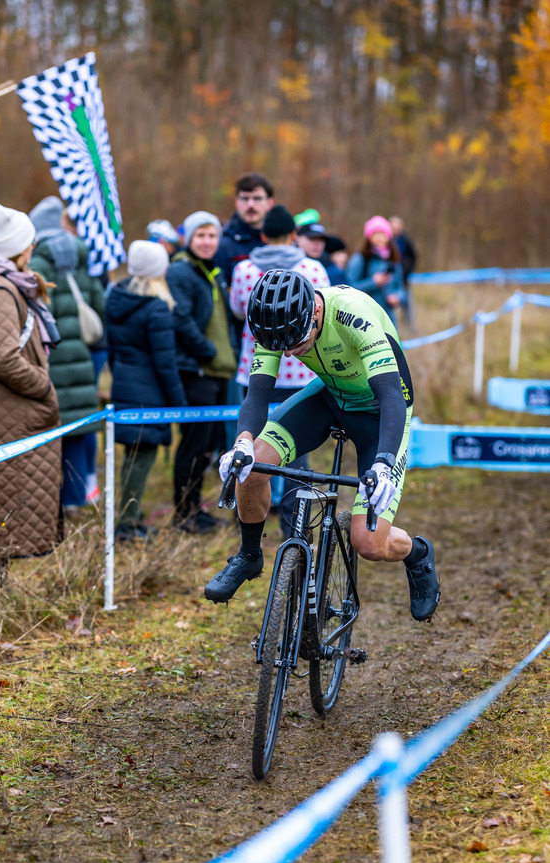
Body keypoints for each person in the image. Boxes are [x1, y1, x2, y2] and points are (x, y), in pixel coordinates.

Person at [204, 269, 440, 623]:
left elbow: (392, 395)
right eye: (282, 346)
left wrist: (384, 463)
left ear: (314, 311)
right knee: (251, 469)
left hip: (380, 411)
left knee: (369, 544)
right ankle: (249, 554)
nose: (290, 351)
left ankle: (417, 553)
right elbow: (258, 393)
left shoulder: (352, 314)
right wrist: (242, 444)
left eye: (297, 342)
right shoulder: (277, 322)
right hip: (330, 398)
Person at [0, 201, 61, 570]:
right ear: (20, 247)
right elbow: (5, 359)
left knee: (1, 509)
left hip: (5, 415)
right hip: (9, 416)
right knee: (4, 511)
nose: (33, 248)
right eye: (30, 243)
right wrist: (43, 386)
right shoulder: (2, 292)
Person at [229, 204, 329, 536]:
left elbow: (236, 309)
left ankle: (245, 513)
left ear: (262, 234)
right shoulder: (313, 268)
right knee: (294, 452)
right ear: (292, 235)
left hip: (256, 370)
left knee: (251, 443)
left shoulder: (243, 270)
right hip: (302, 373)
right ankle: (294, 525)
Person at [29, 195, 104, 515]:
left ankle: (47, 501)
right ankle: (74, 498)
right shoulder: (78, 258)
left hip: (51, 358)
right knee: (76, 431)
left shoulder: (36, 265)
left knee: (48, 432)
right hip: (82, 357)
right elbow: (99, 306)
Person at [106, 240, 186, 540]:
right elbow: (165, 363)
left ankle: (132, 515)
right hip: (148, 392)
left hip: (125, 385)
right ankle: (127, 524)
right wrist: (179, 403)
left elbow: (112, 350)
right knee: (141, 458)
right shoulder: (156, 307)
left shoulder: (117, 297)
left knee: (132, 456)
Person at [166, 210, 240, 533]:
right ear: (189, 238)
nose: (208, 242)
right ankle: (184, 514)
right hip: (195, 370)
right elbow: (179, 319)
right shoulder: (181, 272)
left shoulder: (211, 272)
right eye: (201, 235)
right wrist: (208, 351)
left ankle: (195, 507)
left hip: (217, 372)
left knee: (207, 445)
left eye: (212, 235)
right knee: (194, 444)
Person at [214, 172, 274, 286]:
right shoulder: (223, 245)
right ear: (237, 202)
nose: (250, 204)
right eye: (245, 199)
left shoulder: (281, 240)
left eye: (257, 198)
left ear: (269, 203)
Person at [345, 216, 406, 325]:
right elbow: (348, 287)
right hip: (365, 318)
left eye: (382, 233)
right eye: (375, 234)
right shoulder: (360, 259)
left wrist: (397, 297)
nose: (379, 237)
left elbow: (401, 288)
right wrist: (373, 282)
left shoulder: (393, 259)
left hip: (389, 318)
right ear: (368, 237)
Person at [389, 215, 417, 328]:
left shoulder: (405, 240)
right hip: (389, 279)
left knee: (407, 304)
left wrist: (407, 272)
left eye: (398, 227)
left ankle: (410, 328)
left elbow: (413, 257)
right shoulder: (386, 240)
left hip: (403, 278)